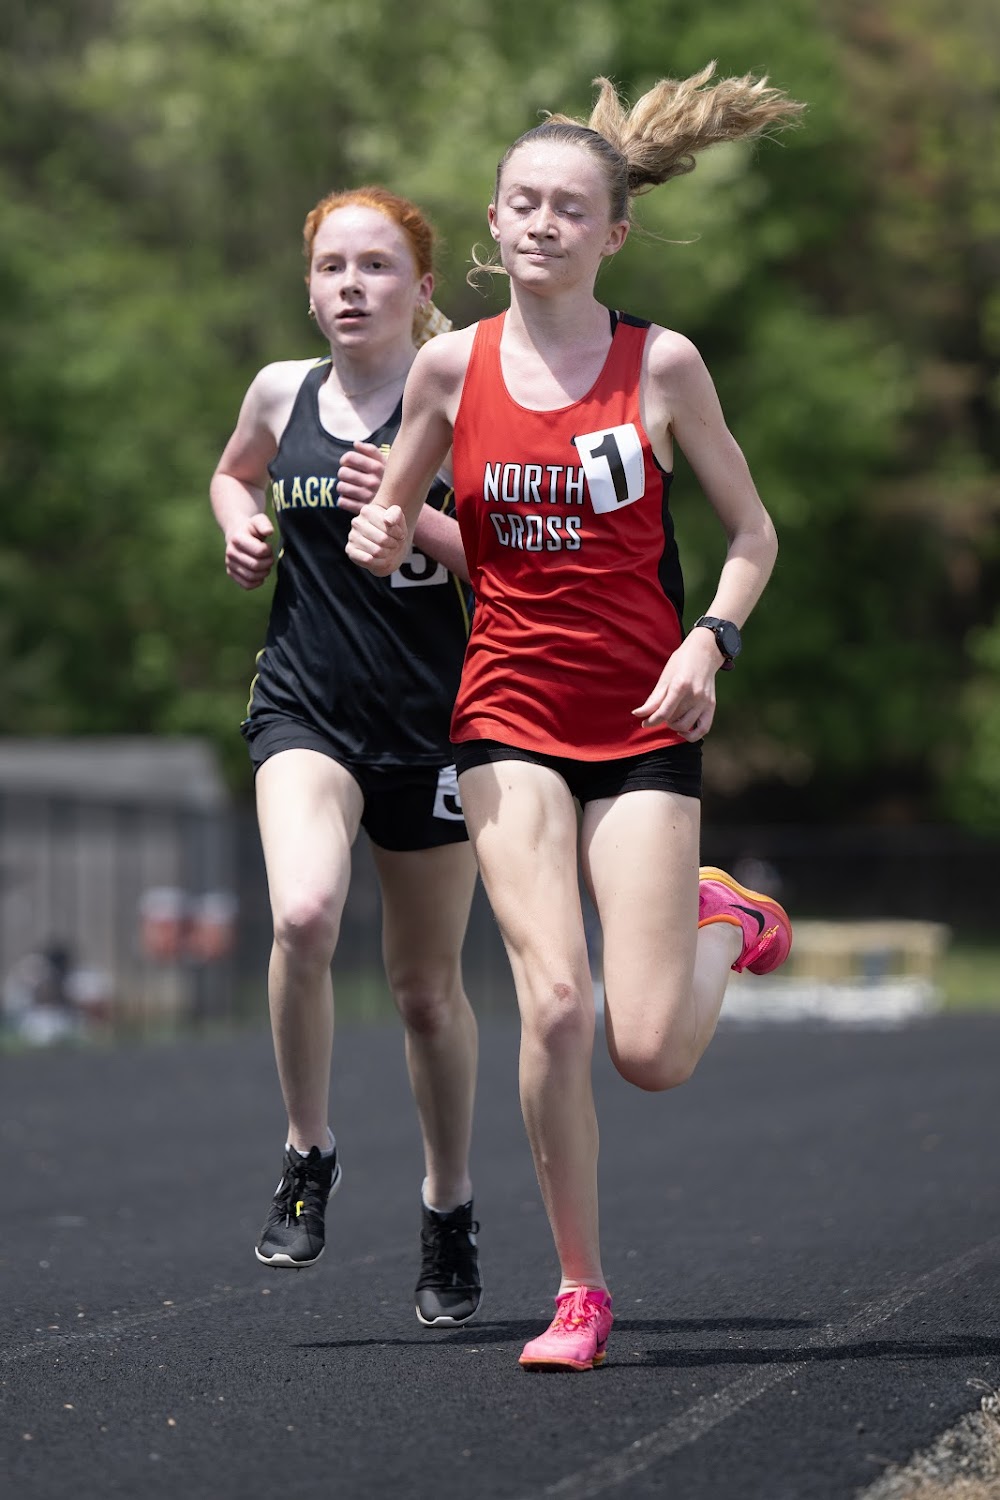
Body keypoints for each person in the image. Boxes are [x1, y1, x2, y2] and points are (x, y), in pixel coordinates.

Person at [346, 65, 803, 1370]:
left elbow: (755, 536)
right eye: (522, 203)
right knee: (553, 1004)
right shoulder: (448, 368)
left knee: (647, 1051)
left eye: (569, 207)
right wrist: (383, 531)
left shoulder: (662, 364)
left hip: (644, 716)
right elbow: (413, 526)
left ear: (613, 232)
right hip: (506, 714)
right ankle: (579, 1293)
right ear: (493, 225)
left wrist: (711, 639)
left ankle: (727, 919)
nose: (542, 223)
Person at [210, 185, 483, 1328]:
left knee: (424, 993)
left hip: (434, 726)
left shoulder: (467, 398)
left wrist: (416, 518)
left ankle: (447, 1207)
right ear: (309, 286)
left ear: (422, 289)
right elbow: (234, 468)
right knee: (304, 914)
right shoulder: (283, 392)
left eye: (376, 267)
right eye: (332, 267)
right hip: (307, 707)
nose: (352, 287)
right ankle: (307, 1150)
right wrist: (237, 521)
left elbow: (520, 566)